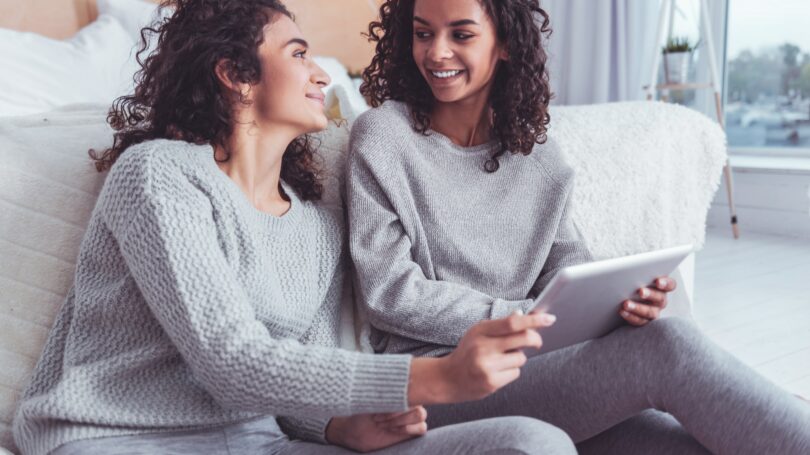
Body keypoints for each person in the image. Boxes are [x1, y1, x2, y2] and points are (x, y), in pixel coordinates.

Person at [12, 1, 580, 454]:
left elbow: (299, 371)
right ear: (236, 73)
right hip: (118, 436)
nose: (319, 73)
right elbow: (232, 360)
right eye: (299, 53)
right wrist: (434, 378)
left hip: (259, 441)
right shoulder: (158, 175)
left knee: (532, 442)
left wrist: (334, 428)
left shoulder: (315, 227)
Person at [347, 0, 810, 453]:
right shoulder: (383, 137)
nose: (437, 52)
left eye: (461, 35)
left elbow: (568, 266)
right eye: (423, 33)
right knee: (666, 347)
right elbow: (390, 294)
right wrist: (519, 318)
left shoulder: (538, 156)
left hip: (539, 366)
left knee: (701, 436)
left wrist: (620, 303)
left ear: (505, 43)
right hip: (442, 380)